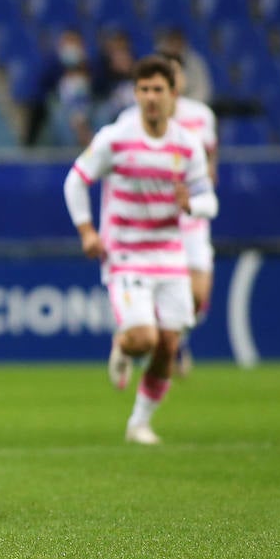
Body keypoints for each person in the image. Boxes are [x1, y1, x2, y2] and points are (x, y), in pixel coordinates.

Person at [63, 55, 217, 445]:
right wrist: (87, 231)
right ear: (134, 93)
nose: (150, 97)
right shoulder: (115, 138)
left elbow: (209, 200)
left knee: (168, 346)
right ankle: (123, 343)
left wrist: (191, 205)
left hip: (170, 255)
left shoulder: (187, 144)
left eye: (157, 90)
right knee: (144, 339)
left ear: (173, 94)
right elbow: (75, 181)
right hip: (126, 254)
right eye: (143, 89)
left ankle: (139, 423)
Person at [117, 54, 219, 378]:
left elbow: (210, 159)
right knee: (161, 296)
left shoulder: (201, 116)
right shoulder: (129, 120)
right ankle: (147, 338)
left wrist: (199, 194)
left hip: (191, 215)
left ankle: (175, 340)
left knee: (198, 295)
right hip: (153, 222)